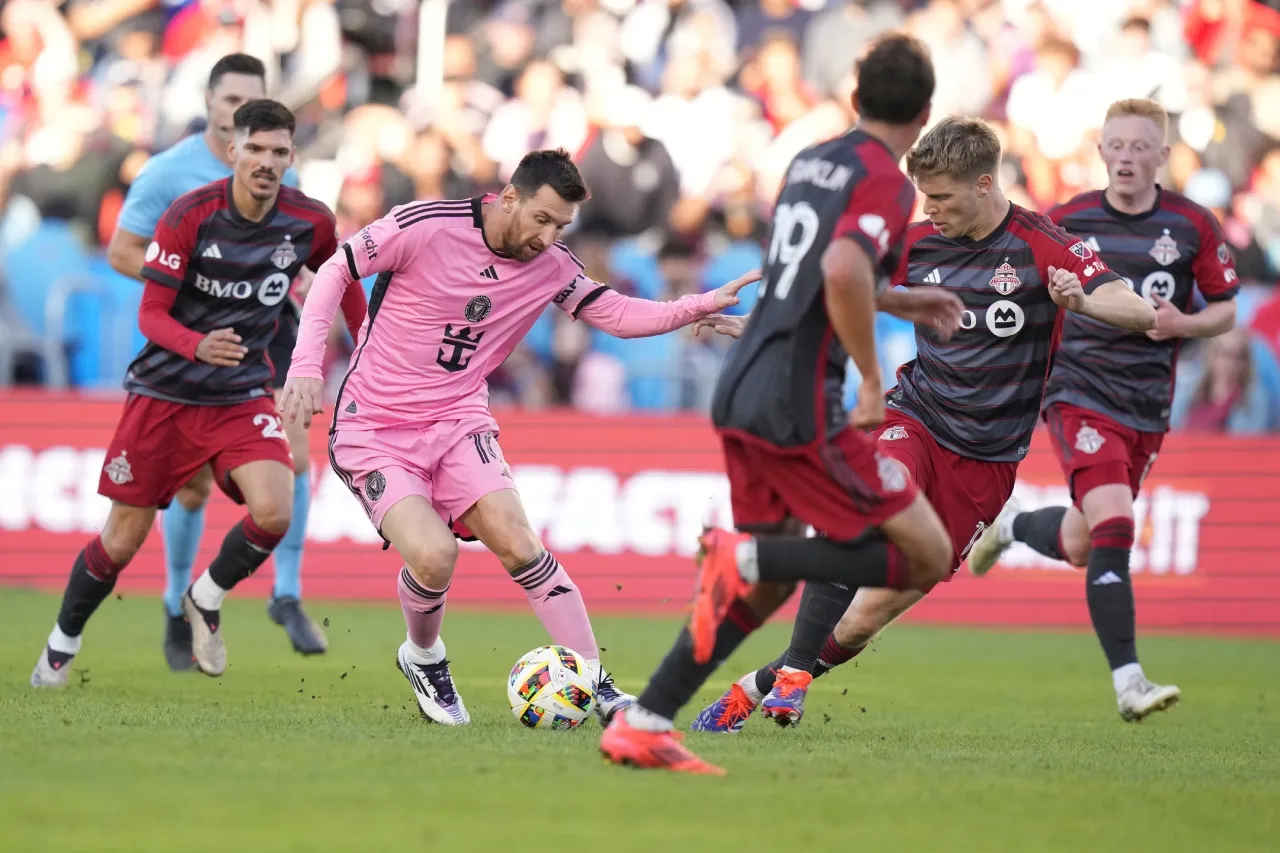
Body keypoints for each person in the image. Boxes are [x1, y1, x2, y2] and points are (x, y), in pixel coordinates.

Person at [687, 114, 1157, 744]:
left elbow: (1140, 308)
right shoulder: (915, 242)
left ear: (985, 184)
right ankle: (794, 677)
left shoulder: (1044, 243)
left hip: (986, 461)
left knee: (862, 621)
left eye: (940, 197)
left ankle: (760, 684)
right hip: (914, 416)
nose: (928, 209)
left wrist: (1083, 301)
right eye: (922, 196)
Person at [279, 148, 755, 727]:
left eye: (561, 227)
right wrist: (306, 365)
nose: (549, 237)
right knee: (435, 556)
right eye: (542, 219)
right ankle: (424, 655)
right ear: (510, 198)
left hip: (458, 420)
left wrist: (697, 306)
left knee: (519, 542)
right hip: (374, 427)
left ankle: (593, 680)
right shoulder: (425, 225)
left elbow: (618, 315)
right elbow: (335, 269)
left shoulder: (553, 265)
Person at [598, 34, 970, 775]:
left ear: (855, 96)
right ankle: (743, 554)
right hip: (800, 398)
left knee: (764, 587)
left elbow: (824, 274)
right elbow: (838, 268)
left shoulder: (808, 160)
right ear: (925, 113)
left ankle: (643, 719)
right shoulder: (887, 184)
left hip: (746, 381)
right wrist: (870, 375)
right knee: (926, 553)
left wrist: (903, 297)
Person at [31, 100, 367, 686]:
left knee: (276, 508)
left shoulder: (308, 220)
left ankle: (204, 597)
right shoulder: (191, 215)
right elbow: (152, 314)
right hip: (165, 393)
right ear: (232, 150)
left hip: (240, 394)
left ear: (292, 157)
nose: (266, 162)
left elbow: (341, 278)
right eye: (255, 149)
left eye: (279, 152)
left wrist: (366, 346)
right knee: (121, 541)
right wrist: (197, 345)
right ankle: (61, 644)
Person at [966, 99, 1240, 721]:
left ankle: (1010, 527)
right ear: (1100, 151)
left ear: (1163, 157)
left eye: (1141, 146)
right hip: (1078, 391)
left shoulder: (1192, 224)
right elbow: (1014, 283)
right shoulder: (1067, 220)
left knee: (1086, 540)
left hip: (1147, 404)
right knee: (1115, 524)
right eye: (1116, 144)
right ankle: (1129, 681)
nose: (1126, 156)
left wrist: (1187, 323)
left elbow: (1226, 306)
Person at [108, 54, 328, 667]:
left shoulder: (275, 164)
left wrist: (301, 282)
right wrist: (193, 292)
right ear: (209, 103)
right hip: (192, 340)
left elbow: (301, 247)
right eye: (230, 101)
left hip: (266, 328)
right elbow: (123, 251)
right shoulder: (167, 174)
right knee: (194, 490)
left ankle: (286, 593)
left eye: (251, 102)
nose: (239, 114)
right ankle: (177, 601)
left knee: (298, 453)